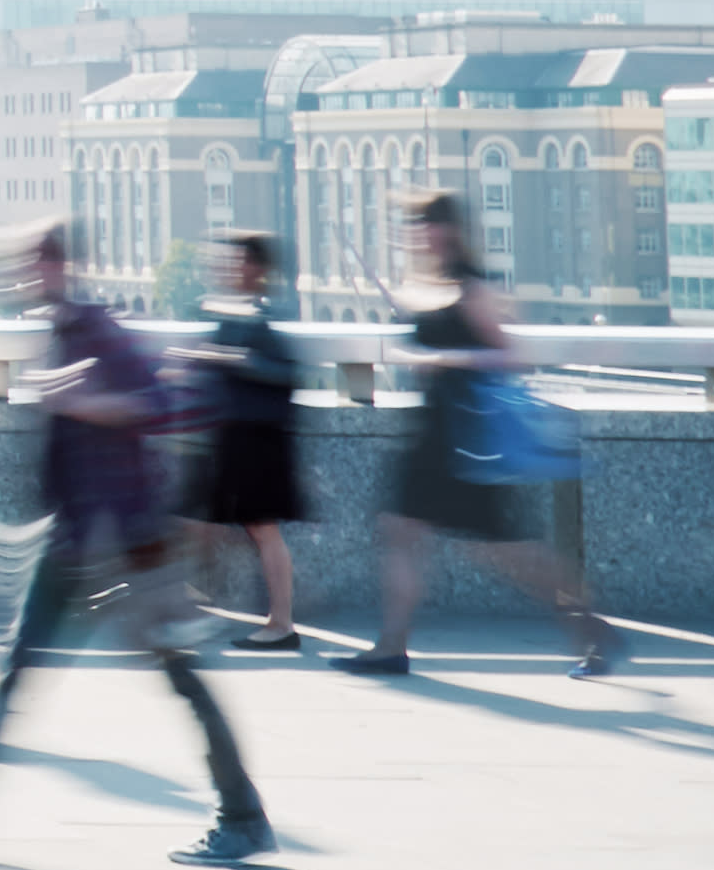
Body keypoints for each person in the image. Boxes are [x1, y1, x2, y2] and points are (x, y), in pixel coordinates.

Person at [0, 224, 273, 866]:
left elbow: (158, 403)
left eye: (32, 264)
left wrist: (86, 399)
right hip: (76, 545)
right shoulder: (63, 331)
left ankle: (243, 815)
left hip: (129, 548)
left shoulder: (97, 329)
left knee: (181, 678)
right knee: (17, 674)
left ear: (59, 266)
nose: (21, 277)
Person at [345, 192, 613, 679]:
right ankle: (391, 646)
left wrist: (450, 359)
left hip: (465, 438)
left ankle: (592, 628)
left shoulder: (472, 287)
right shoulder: (433, 285)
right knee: (400, 530)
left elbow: (512, 355)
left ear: (447, 229)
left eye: (424, 225)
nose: (416, 235)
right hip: (431, 432)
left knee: (507, 552)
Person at [187, 230, 312, 653]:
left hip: (256, 440)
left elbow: (284, 372)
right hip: (232, 437)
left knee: (261, 530)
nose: (225, 268)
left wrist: (223, 357)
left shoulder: (261, 316)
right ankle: (196, 610)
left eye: (234, 260)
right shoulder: (234, 311)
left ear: (255, 268)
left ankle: (281, 624)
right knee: (201, 524)